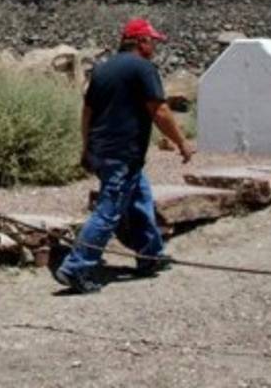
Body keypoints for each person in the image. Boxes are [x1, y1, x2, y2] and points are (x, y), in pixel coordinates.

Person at [52, 18, 195, 294]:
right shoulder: (143, 69)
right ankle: (76, 267)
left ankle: (150, 255)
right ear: (141, 41)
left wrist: (85, 148)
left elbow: (87, 112)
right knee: (109, 210)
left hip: (103, 150)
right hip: (122, 153)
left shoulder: (103, 70)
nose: (154, 46)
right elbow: (160, 111)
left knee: (140, 196)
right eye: (152, 41)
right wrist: (182, 143)